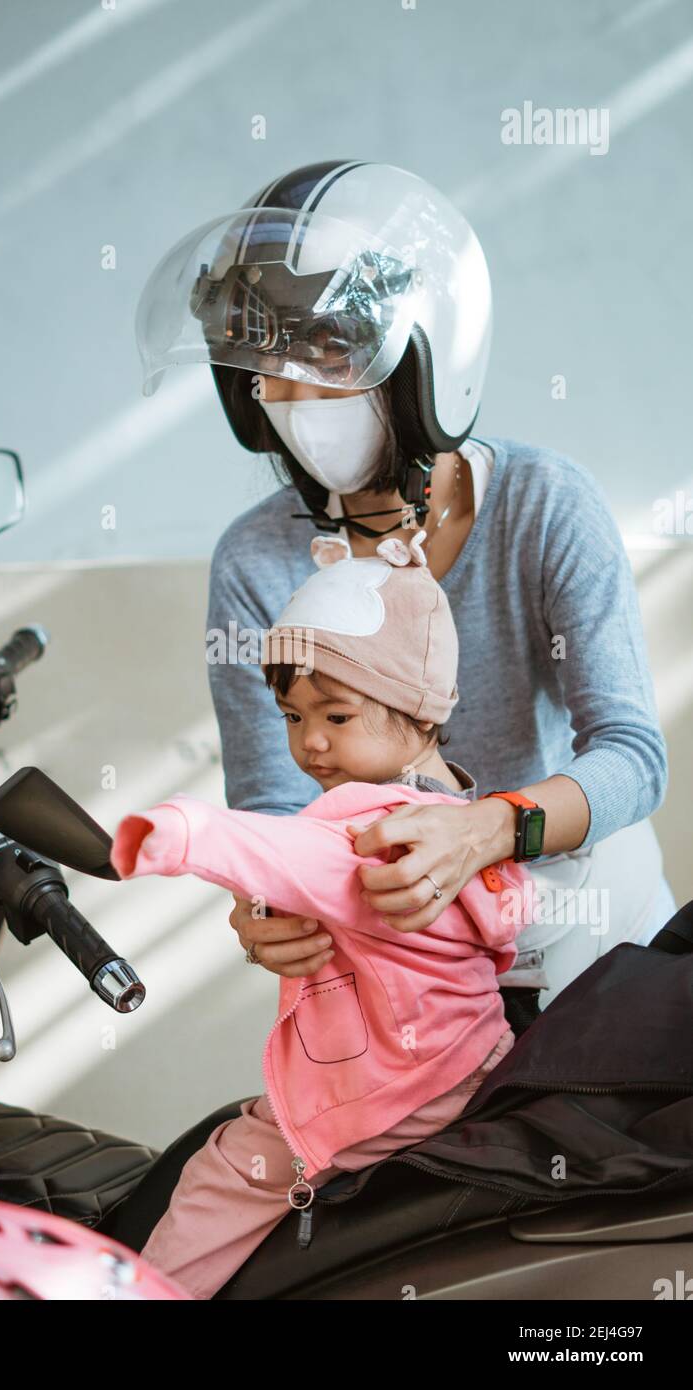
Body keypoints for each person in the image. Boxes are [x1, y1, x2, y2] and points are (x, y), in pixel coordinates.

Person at [134, 158, 674, 1014]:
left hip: (586, 939)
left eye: (325, 365)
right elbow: (276, 805)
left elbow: (633, 759)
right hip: (403, 971)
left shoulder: (544, 504)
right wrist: (265, 897)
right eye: (265, 376)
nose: (288, 399)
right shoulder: (254, 560)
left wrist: (488, 827)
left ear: (423, 368)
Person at [110, 529, 530, 1299]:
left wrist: (173, 832)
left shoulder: (365, 829)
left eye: (335, 717)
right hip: (472, 1058)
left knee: (226, 1170)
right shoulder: (460, 823)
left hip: (396, 1087)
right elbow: (512, 920)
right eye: (293, 718)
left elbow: (278, 852)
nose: (310, 744)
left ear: (417, 706)